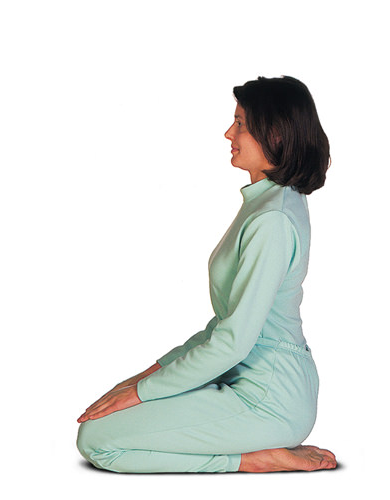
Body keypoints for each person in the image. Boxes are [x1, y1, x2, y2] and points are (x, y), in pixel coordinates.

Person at [76, 76, 336, 473]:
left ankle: (252, 460)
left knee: (97, 439)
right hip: (252, 380)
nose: (229, 133)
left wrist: (142, 393)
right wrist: (147, 377)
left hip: (269, 399)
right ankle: (250, 451)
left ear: (276, 135)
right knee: (106, 422)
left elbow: (233, 342)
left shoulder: (273, 219)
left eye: (241, 123)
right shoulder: (268, 203)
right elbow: (224, 325)